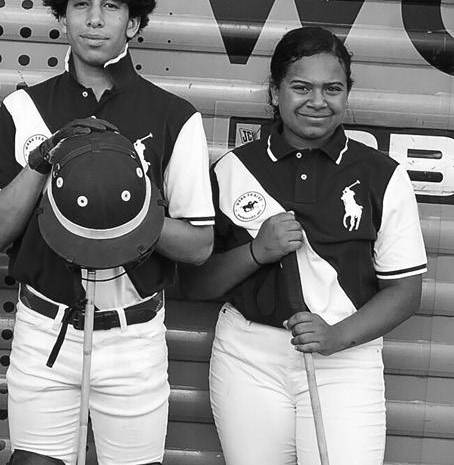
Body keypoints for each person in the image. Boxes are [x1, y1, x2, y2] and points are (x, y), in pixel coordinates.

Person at [0, 0, 215, 464]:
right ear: (62, 15)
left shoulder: (175, 116)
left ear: (134, 21)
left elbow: (199, 245)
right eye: (81, 3)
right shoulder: (24, 109)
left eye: (112, 4)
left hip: (133, 335)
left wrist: (123, 208)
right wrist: (42, 162)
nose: (95, 19)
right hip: (46, 327)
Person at [181, 26, 426, 464]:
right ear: (274, 92)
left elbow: (405, 293)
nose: (318, 101)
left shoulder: (382, 174)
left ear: (347, 93)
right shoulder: (233, 168)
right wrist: (257, 251)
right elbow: (196, 283)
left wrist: (336, 336)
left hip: (345, 357)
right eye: (301, 87)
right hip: (248, 358)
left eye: (332, 88)